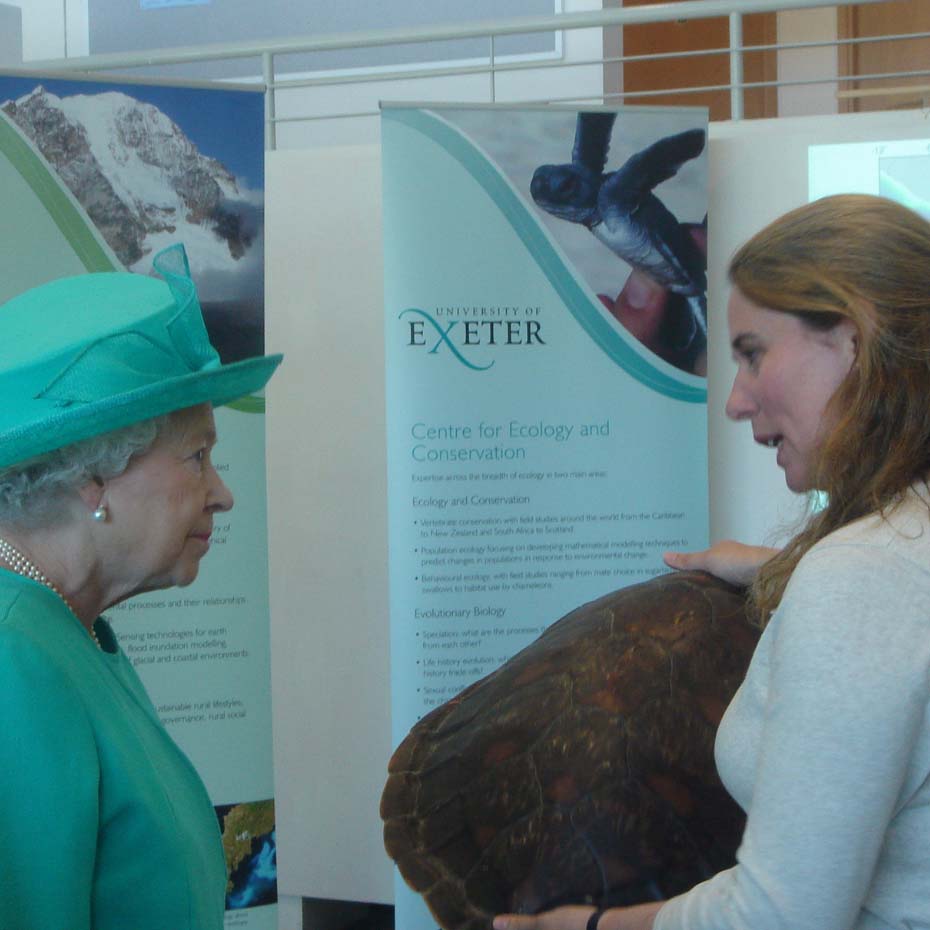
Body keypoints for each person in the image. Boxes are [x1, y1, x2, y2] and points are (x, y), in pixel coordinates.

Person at [494, 193, 930, 930]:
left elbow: (782, 918)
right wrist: (782, 569)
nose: (735, 401)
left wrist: (587, 927)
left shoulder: (865, 575)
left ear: (854, 342)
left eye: (755, 354)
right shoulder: (891, 557)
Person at [0, 245, 282, 930]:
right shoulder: (13, 661)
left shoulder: (68, 626)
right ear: (90, 478)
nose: (222, 494)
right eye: (197, 457)